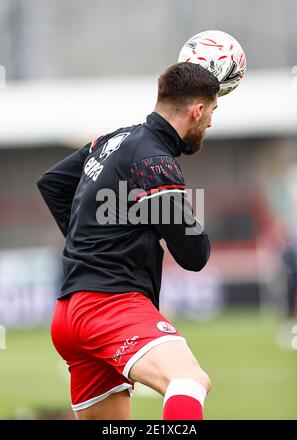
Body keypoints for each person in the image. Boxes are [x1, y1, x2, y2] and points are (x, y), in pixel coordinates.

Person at [37, 62, 219, 420]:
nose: (212, 122)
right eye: (213, 111)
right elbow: (195, 255)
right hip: (110, 305)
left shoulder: (112, 140)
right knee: (189, 381)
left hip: (69, 313)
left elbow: (53, 183)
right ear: (197, 111)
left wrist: (93, 244)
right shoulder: (156, 162)